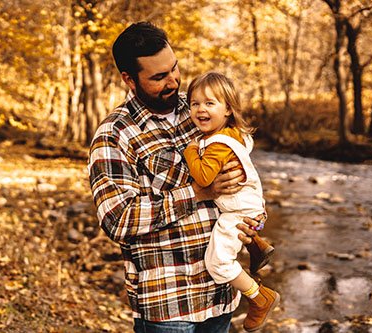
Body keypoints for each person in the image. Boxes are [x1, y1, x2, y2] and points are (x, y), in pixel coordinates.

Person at [88, 22, 265, 332]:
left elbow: (240, 169)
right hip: (169, 305)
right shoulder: (114, 135)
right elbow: (117, 220)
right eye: (159, 77)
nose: (173, 82)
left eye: (174, 69)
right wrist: (196, 193)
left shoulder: (199, 109)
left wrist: (253, 220)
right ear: (129, 79)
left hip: (220, 295)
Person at [183, 72, 280, 332]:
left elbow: (203, 177)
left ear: (228, 109)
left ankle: (259, 297)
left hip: (237, 211)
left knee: (217, 263)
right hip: (245, 206)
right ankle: (257, 245)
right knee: (229, 244)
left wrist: (190, 151)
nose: (200, 109)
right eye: (194, 104)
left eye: (209, 103)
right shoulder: (232, 134)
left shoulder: (217, 144)